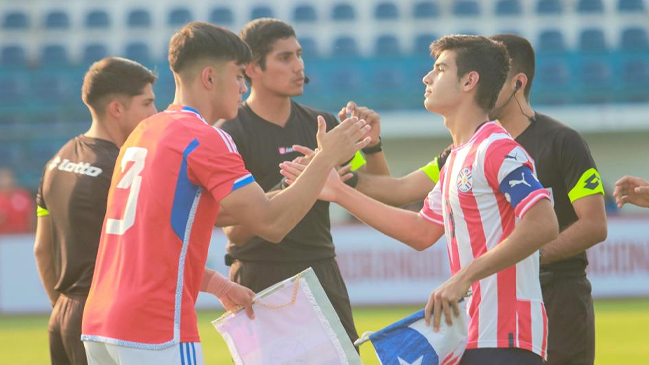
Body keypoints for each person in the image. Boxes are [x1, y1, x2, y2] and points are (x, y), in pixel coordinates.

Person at [80, 22, 370, 365]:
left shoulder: (145, 131)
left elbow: (153, 242)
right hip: (156, 328)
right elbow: (271, 224)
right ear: (209, 78)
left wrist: (218, 285)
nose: (243, 87)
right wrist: (325, 158)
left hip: (101, 322)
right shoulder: (205, 137)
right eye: (237, 76)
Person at [281, 35, 559, 365]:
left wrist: (464, 276)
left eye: (440, 69)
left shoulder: (498, 148)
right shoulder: (456, 158)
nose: (426, 78)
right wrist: (338, 192)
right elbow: (420, 230)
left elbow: (544, 222)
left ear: (470, 81)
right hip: (470, 334)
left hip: (507, 336)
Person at [216, 18, 385, 345]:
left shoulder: (324, 125)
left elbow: (381, 193)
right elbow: (235, 230)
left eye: (299, 54)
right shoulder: (229, 134)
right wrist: (310, 172)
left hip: (322, 272)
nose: (299, 66)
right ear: (252, 68)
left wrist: (373, 145)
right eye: (285, 57)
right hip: (258, 278)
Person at [487, 34, 607, 365]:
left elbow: (595, 225)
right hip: (502, 301)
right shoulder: (476, 149)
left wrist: (530, 258)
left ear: (518, 83)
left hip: (559, 296)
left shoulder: (563, 141)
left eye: (491, 76)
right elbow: (400, 189)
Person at [33, 57, 158, 365]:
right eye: (147, 103)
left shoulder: (57, 161)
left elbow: (41, 251)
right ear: (117, 109)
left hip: (62, 315)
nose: (154, 114)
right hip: (104, 320)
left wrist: (66, 311)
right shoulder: (123, 169)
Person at [0, 167, 34, 234]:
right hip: (3, 238)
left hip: (22, 237)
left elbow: (31, 217)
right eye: (3, 178)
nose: (7, 181)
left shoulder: (22, 195)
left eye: (9, 177)